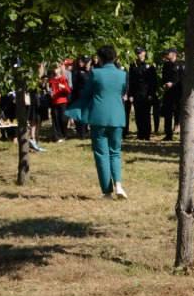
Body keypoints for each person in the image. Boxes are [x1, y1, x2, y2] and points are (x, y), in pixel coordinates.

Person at [67, 45, 129, 198]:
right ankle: (119, 185)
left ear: (100, 58)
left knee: (101, 154)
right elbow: (122, 91)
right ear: (115, 57)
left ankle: (107, 191)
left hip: (99, 117)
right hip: (117, 116)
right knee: (115, 152)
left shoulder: (95, 73)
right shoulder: (122, 74)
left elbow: (86, 94)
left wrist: (76, 109)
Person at [128, 47, 158, 141]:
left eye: (140, 53)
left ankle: (147, 134)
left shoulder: (149, 65)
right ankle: (140, 133)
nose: (139, 54)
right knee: (138, 115)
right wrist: (131, 95)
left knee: (146, 114)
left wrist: (151, 94)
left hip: (146, 93)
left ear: (144, 53)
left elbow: (153, 82)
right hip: (137, 93)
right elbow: (131, 81)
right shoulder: (133, 65)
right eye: (137, 53)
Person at [48, 64, 72, 141]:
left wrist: (63, 87)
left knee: (63, 119)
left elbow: (68, 90)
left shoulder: (63, 79)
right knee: (55, 119)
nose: (55, 70)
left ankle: (64, 134)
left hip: (62, 101)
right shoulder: (51, 80)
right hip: (54, 101)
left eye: (57, 68)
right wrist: (50, 93)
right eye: (54, 68)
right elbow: (50, 89)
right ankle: (57, 136)